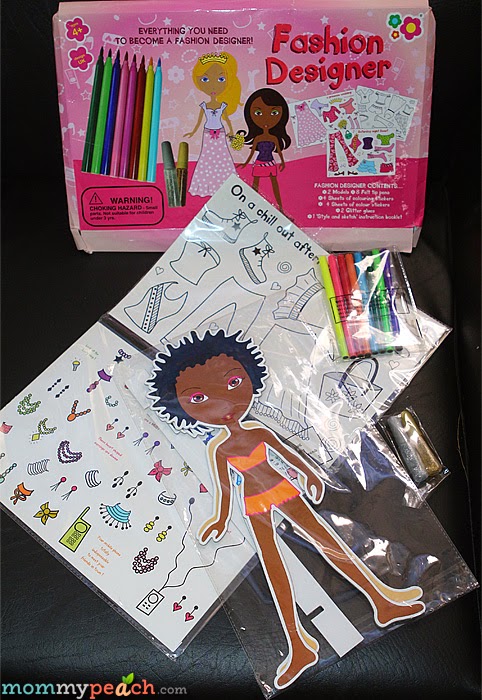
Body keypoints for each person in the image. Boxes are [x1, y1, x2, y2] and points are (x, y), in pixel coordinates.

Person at [147, 329, 425, 690]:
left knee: (328, 541)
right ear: (183, 409)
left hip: (284, 491)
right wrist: (220, 518)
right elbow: (225, 487)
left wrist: (309, 475)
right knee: (274, 563)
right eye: (199, 398)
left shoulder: (259, 433)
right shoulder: (220, 449)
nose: (223, 402)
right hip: (254, 505)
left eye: (233, 383)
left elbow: (287, 455)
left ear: (250, 376)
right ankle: (297, 644)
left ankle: (382, 600)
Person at [184, 52, 241, 197]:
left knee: (223, 157)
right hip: (207, 133)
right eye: (205, 79)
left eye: (221, 79)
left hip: (220, 132)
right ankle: (206, 186)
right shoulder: (204, 106)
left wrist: (231, 132)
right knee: (206, 157)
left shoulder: (223, 106)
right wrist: (193, 132)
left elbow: (227, 120)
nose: (214, 85)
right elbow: (199, 121)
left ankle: (225, 185)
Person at [238, 88, 291, 212]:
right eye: (258, 113)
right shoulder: (258, 138)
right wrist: (245, 163)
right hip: (259, 162)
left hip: (270, 162)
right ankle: (249, 208)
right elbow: (252, 152)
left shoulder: (273, 138)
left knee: (274, 184)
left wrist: (283, 162)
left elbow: (279, 151)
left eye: (274, 113)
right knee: (255, 185)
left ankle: (280, 208)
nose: (266, 119)